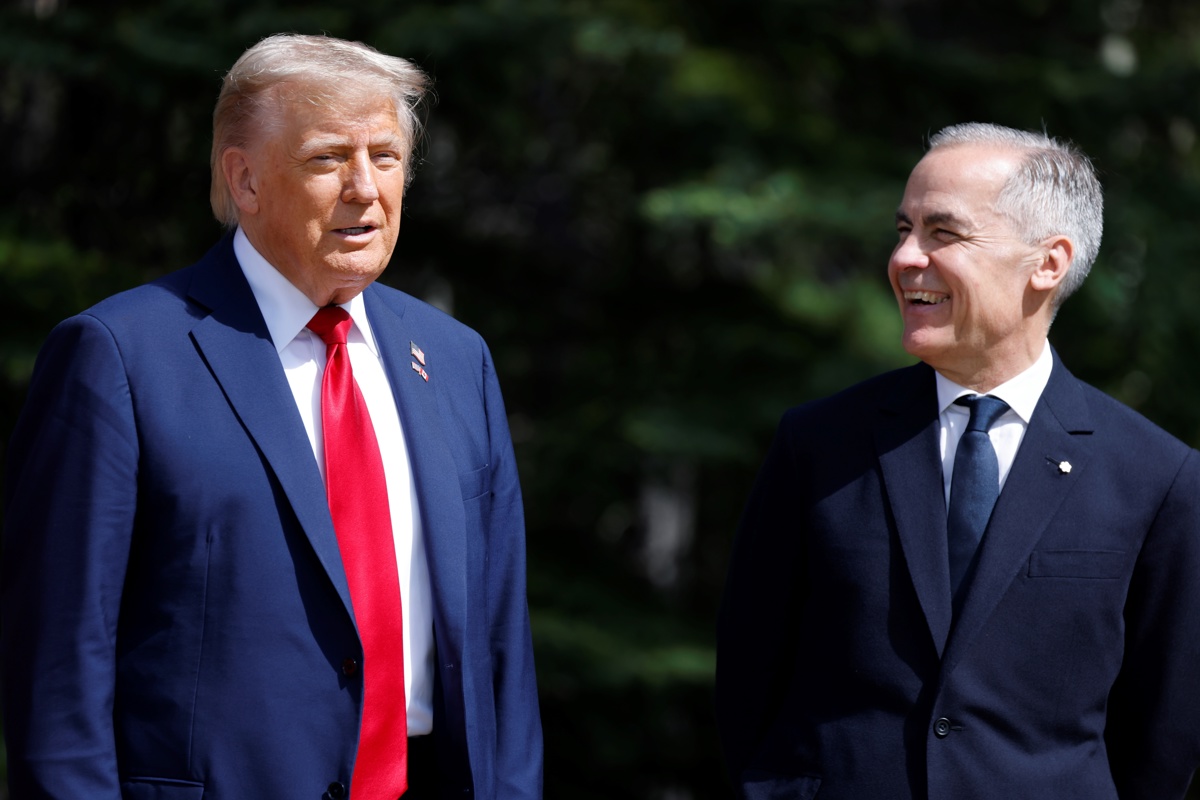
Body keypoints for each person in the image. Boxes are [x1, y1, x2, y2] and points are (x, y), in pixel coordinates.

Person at [1, 33, 542, 799]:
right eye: (328, 159)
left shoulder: (454, 358)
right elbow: (58, 659)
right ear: (244, 179)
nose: (365, 188)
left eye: (385, 157)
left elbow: (500, 648)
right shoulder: (118, 356)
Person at [716, 122, 1200, 800]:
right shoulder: (818, 444)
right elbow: (748, 675)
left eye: (944, 233)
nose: (906, 258)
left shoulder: (1156, 476)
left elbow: (1164, 731)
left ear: (1048, 262)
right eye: (903, 229)